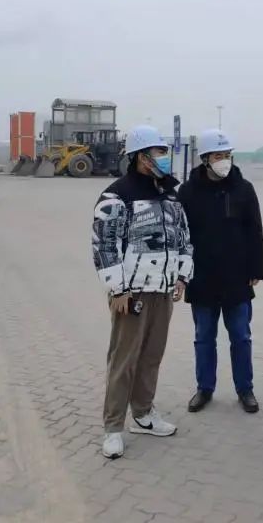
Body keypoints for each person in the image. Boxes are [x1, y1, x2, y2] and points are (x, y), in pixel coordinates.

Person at [92, 125, 193, 460]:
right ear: (140, 157)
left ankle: (144, 414)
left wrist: (182, 276)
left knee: (151, 356)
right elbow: (105, 246)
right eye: (158, 152)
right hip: (131, 293)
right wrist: (117, 289)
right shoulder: (116, 195)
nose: (163, 157)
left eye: (165, 152)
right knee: (124, 359)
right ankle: (112, 427)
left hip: (163, 290)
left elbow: (183, 238)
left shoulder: (171, 194)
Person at [178, 128, 263, 414]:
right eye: (218, 155)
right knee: (204, 337)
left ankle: (245, 389)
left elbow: (255, 230)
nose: (224, 160)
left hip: (237, 277)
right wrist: (182, 273)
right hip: (201, 277)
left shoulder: (244, 189)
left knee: (241, 336)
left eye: (227, 155)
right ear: (205, 159)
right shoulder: (188, 192)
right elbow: (181, 235)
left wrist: (256, 268)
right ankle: (204, 388)